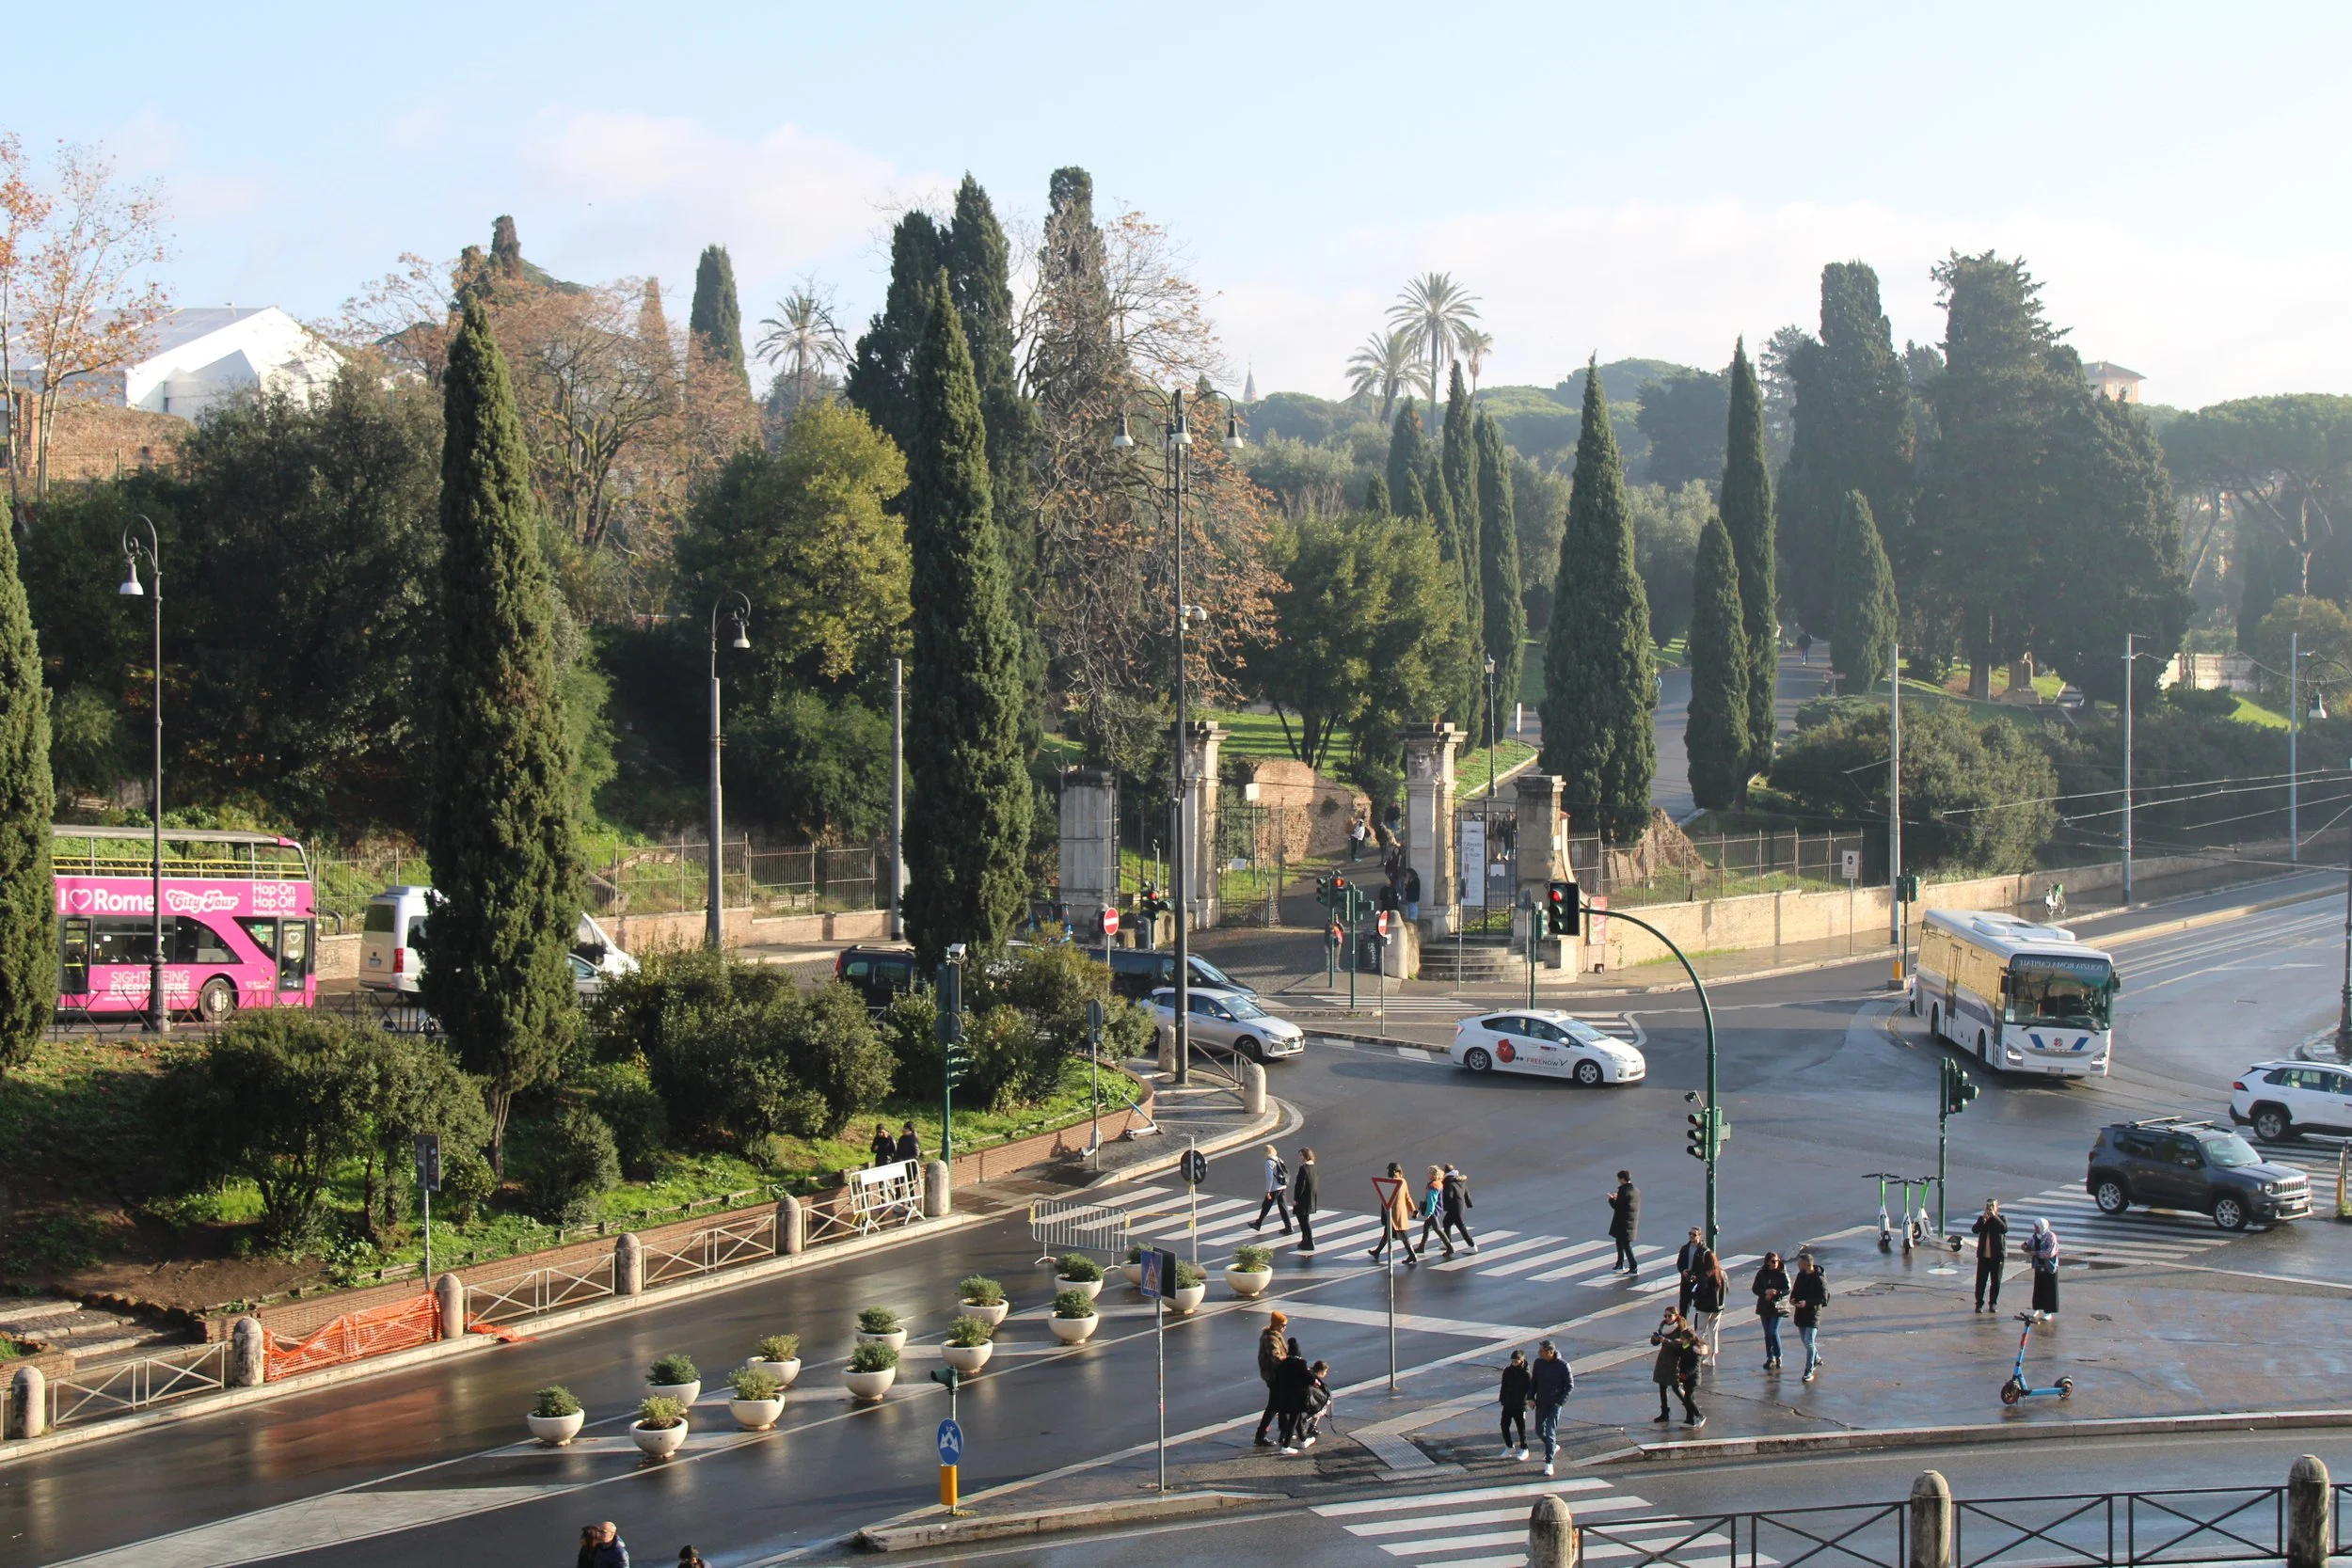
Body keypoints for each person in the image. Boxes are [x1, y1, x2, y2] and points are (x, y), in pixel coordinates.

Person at [1649, 1309, 1702, 1426]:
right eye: (1665, 1316)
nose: (1667, 1318)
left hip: (1674, 1361)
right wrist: (1656, 1339)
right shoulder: (1663, 1326)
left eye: (1669, 1316)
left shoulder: (1680, 1328)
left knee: (1676, 1387)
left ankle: (1691, 1411)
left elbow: (1682, 1345)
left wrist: (1666, 1341)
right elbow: (1654, 1342)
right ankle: (1665, 1413)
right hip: (1663, 1360)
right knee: (1662, 1386)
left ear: (1676, 1315)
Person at [1530, 1338, 1574, 1475]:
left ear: (1549, 1352)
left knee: (1550, 1432)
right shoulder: (1538, 1363)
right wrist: (1530, 1397)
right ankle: (1552, 1447)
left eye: (1541, 1350)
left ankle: (1549, 1462)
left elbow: (1569, 1386)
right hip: (1541, 1402)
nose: (1538, 1353)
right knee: (1538, 1430)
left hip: (1554, 1404)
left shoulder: (1563, 1365)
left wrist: (1559, 1402)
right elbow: (1534, 1381)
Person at [1369, 1161, 1420, 1263]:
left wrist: (1414, 1210)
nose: (1389, 1172)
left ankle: (1412, 1255)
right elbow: (1407, 1197)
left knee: (1402, 1235)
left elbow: (1390, 1199)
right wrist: (1413, 1210)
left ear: (1396, 1171)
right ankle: (1377, 1252)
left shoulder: (1392, 1183)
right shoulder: (1402, 1181)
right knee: (1388, 1234)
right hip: (1398, 1214)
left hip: (1393, 1214)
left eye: (1390, 1170)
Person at [1251, 1310, 1289, 1447]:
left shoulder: (1275, 1335)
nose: (1285, 1327)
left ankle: (1284, 1432)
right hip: (1274, 1376)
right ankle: (1261, 1435)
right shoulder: (1271, 1338)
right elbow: (1275, 1357)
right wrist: (1289, 1361)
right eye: (1283, 1325)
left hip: (1277, 1375)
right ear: (1277, 1325)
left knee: (1281, 1404)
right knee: (1274, 1406)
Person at [1274, 1338, 1315, 1452]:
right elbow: (1309, 1378)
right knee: (1293, 1420)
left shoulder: (1283, 1364)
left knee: (1296, 1419)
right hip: (1298, 1397)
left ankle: (1303, 1440)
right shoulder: (1300, 1363)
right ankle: (1286, 1446)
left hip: (1285, 1396)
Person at [1792, 1251, 1827, 1381]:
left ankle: (1809, 1370)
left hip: (1813, 1314)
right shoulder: (1801, 1275)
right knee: (1805, 1341)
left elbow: (1823, 1298)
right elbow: (1795, 1290)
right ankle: (1816, 1358)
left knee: (1809, 1341)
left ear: (1806, 1264)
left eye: (1799, 1263)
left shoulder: (1819, 1278)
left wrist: (1807, 1303)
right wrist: (1793, 1300)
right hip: (1801, 1313)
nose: (1797, 1265)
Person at [1690, 1242, 1727, 1363]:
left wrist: (1696, 1297)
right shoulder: (1722, 1273)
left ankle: (1697, 1354)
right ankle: (1712, 1357)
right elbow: (1726, 1289)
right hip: (1718, 1307)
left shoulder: (1705, 1275)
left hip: (1704, 1307)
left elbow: (1700, 1290)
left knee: (1700, 1331)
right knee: (1713, 1331)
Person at [1752, 1251, 1789, 1371]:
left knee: (1773, 1331)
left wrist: (1777, 1293)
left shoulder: (1782, 1273)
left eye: (1777, 1261)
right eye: (1773, 1262)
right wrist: (1765, 1292)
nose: (1775, 1264)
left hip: (1778, 1307)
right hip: (1765, 1306)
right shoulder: (1762, 1274)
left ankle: (1778, 1356)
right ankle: (1770, 1357)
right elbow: (1755, 1288)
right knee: (1767, 1333)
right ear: (1767, 1262)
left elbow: (1787, 1288)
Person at [1971, 1197, 2010, 1313]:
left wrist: (1995, 1217)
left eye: (1992, 1206)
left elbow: (2004, 1229)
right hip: (1984, 1256)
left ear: (1997, 1208)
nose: (1989, 1208)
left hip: (1997, 1256)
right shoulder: (1982, 1219)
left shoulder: (2001, 1219)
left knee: (1995, 1281)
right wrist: (1984, 1220)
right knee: (1981, 1281)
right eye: (1988, 1206)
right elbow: (1975, 1230)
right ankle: (1979, 1303)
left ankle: (1993, 1303)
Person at [1498, 1348, 1533, 1460]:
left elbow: (1530, 1390)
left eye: (1516, 1361)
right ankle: (1509, 1446)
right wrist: (1502, 1399)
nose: (1514, 1364)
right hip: (1508, 1403)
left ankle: (1524, 1448)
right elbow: (1504, 1386)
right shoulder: (1508, 1371)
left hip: (1520, 1405)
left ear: (1522, 1360)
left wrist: (1527, 1402)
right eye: (1513, 1361)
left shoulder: (1526, 1374)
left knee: (1521, 1428)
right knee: (1504, 1425)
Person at [1253, 1144, 1293, 1235]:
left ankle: (1258, 1223)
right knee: (1283, 1207)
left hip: (1274, 1188)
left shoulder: (1269, 1162)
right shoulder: (1278, 1159)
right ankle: (1288, 1226)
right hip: (1282, 1186)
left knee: (1266, 1206)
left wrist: (1268, 1191)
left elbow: (1270, 1178)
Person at [1607, 1171, 1640, 1275]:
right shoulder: (1635, 1190)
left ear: (1622, 1179)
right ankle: (1619, 1264)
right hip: (1630, 1221)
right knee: (1620, 1242)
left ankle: (1633, 1267)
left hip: (1623, 1222)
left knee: (1626, 1245)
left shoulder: (1623, 1191)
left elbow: (1618, 1207)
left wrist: (1612, 1200)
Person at [2026, 1218, 2060, 1317]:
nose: (2035, 1229)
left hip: (2049, 1266)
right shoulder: (2035, 1236)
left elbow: (2049, 1253)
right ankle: (2037, 1308)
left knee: (2049, 1289)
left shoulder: (2051, 1236)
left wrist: (2035, 1253)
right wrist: (2025, 1247)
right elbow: (2030, 1244)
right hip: (2039, 1266)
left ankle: (2048, 1311)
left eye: (2037, 1227)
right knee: (2038, 1288)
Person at [1440, 1164, 1478, 1252]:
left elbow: (1448, 1196)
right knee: (1447, 1222)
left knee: (1460, 1226)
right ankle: (1447, 1243)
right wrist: (1469, 1204)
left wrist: (1445, 1206)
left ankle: (1472, 1245)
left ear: (1445, 1172)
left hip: (1454, 1207)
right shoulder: (1459, 1180)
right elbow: (1466, 1193)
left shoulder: (1448, 1182)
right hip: (1460, 1206)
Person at [1417, 1165, 1452, 1257]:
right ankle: (1421, 1247)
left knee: (1438, 1229)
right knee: (1426, 1228)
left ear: (1433, 1175)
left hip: (1433, 1211)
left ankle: (1450, 1248)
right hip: (1435, 1210)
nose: (1428, 1174)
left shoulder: (1434, 1186)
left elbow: (1432, 1201)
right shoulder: (1438, 1183)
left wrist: (1429, 1213)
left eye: (1429, 1173)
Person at [1675, 1227, 1708, 1319]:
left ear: (1699, 1236)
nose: (1691, 1236)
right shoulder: (1685, 1248)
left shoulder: (1703, 1251)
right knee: (1683, 1307)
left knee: (1699, 1307)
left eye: (1694, 1234)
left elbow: (1706, 1268)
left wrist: (1697, 1276)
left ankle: (1698, 1329)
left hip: (1697, 1282)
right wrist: (1683, 1271)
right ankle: (1682, 1328)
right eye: (1690, 1234)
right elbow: (1679, 1263)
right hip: (1686, 1281)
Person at [1292, 1148, 1319, 1254]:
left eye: (1301, 1155)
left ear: (1306, 1156)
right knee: (1305, 1218)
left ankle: (1309, 1241)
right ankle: (1304, 1240)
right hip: (1310, 1197)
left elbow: (1300, 1185)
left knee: (1303, 1221)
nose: (1299, 1157)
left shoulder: (1304, 1168)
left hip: (1303, 1198)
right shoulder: (1313, 1167)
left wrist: (1296, 1199)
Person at [1301, 1359, 1333, 1445]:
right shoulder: (1314, 1378)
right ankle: (1308, 1423)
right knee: (1320, 1409)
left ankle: (1312, 1426)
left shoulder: (1309, 1372)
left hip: (1308, 1397)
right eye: (1325, 1371)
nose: (1326, 1374)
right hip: (1309, 1399)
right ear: (1321, 1371)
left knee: (1318, 1409)